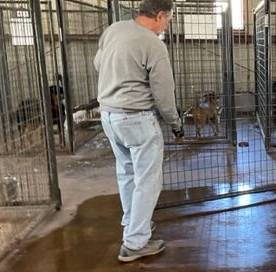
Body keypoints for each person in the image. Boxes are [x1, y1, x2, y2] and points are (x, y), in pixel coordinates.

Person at [94, 0, 184, 262]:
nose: (167, 24)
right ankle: (135, 243)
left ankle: (133, 222)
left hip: (109, 116)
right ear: (159, 16)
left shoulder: (114, 29)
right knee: (148, 180)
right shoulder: (153, 44)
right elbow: (164, 94)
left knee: (127, 172)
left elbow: (99, 63)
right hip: (136, 118)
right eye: (168, 19)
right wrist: (176, 124)